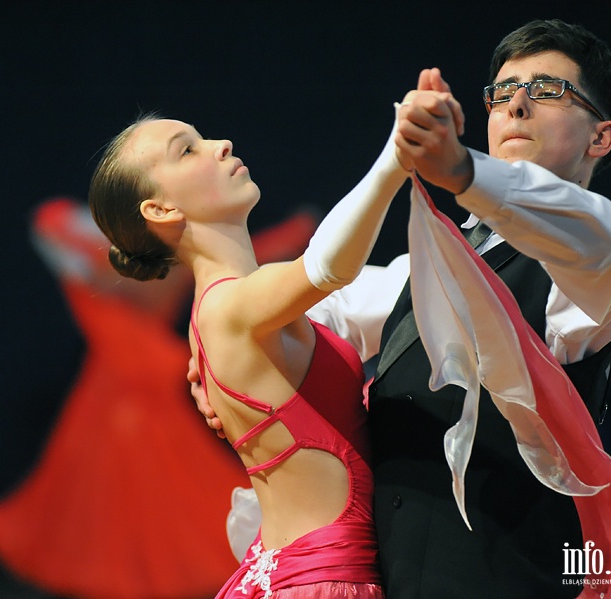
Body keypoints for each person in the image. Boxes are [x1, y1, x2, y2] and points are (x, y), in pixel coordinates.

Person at [193, 19, 611, 598]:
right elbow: (317, 309)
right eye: (502, 93)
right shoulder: (425, 269)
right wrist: (215, 352)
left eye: (549, 89)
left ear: (600, 138)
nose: (517, 105)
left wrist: (461, 171)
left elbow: (589, 230)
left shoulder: (597, 260)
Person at [87, 103, 413, 597]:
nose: (222, 145)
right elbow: (329, 267)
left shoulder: (226, 310)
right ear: (160, 209)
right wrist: (397, 156)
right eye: (189, 150)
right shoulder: (229, 307)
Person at [0, 197, 318, 599]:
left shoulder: (158, 260)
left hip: (135, 385)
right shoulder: (123, 257)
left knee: (151, 488)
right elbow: (59, 230)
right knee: (113, 491)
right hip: (117, 384)